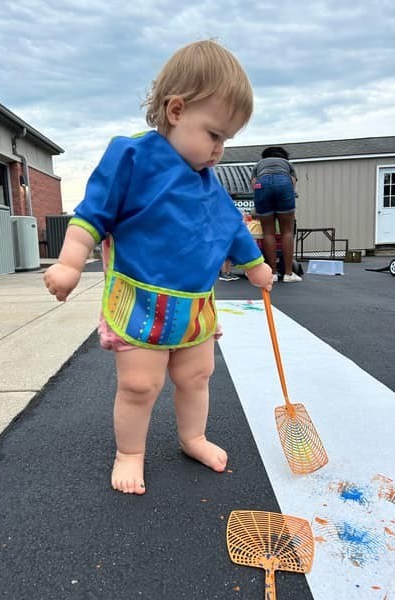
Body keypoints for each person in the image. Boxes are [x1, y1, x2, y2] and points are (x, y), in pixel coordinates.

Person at [44, 40, 273, 495]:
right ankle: (130, 452)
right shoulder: (132, 157)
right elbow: (92, 215)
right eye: (214, 135)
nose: (219, 150)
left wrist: (256, 265)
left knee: (197, 376)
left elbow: (232, 228)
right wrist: (69, 262)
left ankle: (193, 437)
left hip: (194, 306)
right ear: (176, 110)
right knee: (139, 385)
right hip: (141, 300)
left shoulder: (209, 184)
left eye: (226, 139)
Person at [251, 146, 302, 282]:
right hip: (284, 184)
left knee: (268, 232)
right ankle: (288, 274)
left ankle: (272, 273)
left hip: (262, 186)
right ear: (284, 156)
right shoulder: (287, 164)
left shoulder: (259, 165)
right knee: (287, 231)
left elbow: (254, 184)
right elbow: (292, 182)